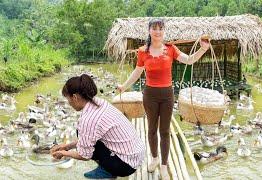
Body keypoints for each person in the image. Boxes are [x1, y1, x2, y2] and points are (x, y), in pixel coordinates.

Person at [117, 18, 210, 179]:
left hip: (167, 95)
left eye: (160, 28)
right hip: (150, 95)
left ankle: (164, 165)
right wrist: (124, 86)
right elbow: (137, 72)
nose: (157, 31)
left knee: (165, 131)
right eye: (154, 28)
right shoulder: (142, 51)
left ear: (164, 31)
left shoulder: (171, 49)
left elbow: (189, 60)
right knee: (152, 129)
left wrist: (203, 49)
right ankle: (154, 158)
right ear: (149, 31)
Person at [50, 74, 145, 179]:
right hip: (136, 154)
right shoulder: (99, 102)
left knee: (80, 132)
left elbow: (84, 155)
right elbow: (89, 138)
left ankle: (108, 170)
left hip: (126, 165)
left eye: (68, 100)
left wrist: (63, 153)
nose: (69, 104)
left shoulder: (88, 119)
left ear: (75, 97)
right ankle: (108, 166)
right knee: (83, 134)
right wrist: (67, 146)